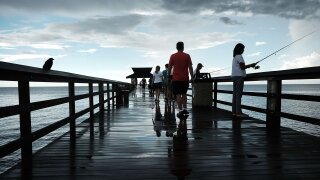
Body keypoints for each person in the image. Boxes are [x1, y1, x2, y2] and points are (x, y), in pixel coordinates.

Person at [168, 41, 193, 118]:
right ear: (183, 47)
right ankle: (185, 109)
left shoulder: (173, 56)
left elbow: (169, 67)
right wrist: (192, 77)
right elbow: (190, 67)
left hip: (176, 79)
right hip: (185, 78)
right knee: (184, 94)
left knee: (178, 94)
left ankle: (180, 110)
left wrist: (169, 76)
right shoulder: (187, 56)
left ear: (176, 47)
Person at [231, 43, 256, 118]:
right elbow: (242, 67)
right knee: (238, 95)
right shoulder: (239, 56)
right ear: (240, 49)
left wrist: (250, 65)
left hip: (234, 76)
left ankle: (234, 112)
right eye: (243, 49)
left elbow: (241, 66)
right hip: (239, 77)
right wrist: (251, 65)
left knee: (235, 95)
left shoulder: (235, 57)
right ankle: (238, 113)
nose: (243, 50)